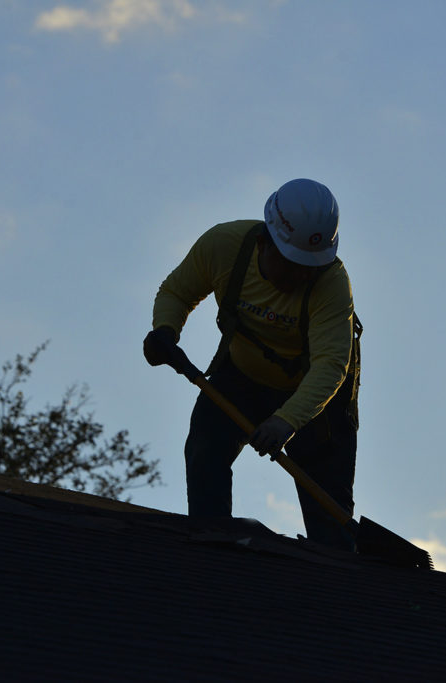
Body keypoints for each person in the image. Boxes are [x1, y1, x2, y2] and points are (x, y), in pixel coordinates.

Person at [143, 178, 361, 551]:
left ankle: (338, 577)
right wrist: (166, 330)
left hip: (316, 399)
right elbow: (177, 292)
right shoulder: (224, 247)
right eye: (292, 264)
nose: (300, 276)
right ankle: (211, 549)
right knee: (205, 451)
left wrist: (286, 420)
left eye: (310, 267)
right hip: (242, 375)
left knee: (329, 514)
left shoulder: (332, 284)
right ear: (264, 242)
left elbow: (329, 366)